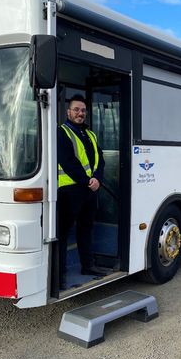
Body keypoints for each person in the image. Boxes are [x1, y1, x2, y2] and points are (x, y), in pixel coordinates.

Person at [57, 94, 107, 290]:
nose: (80, 113)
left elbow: (99, 159)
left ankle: (88, 266)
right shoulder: (62, 132)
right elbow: (67, 162)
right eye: (76, 109)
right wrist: (88, 181)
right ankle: (59, 276)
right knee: (62, 233)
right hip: (70, 191)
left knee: (86, 228)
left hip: (89, 190)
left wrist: (98, 180)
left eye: (83, 110)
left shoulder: (90, 134)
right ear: (68, 112)